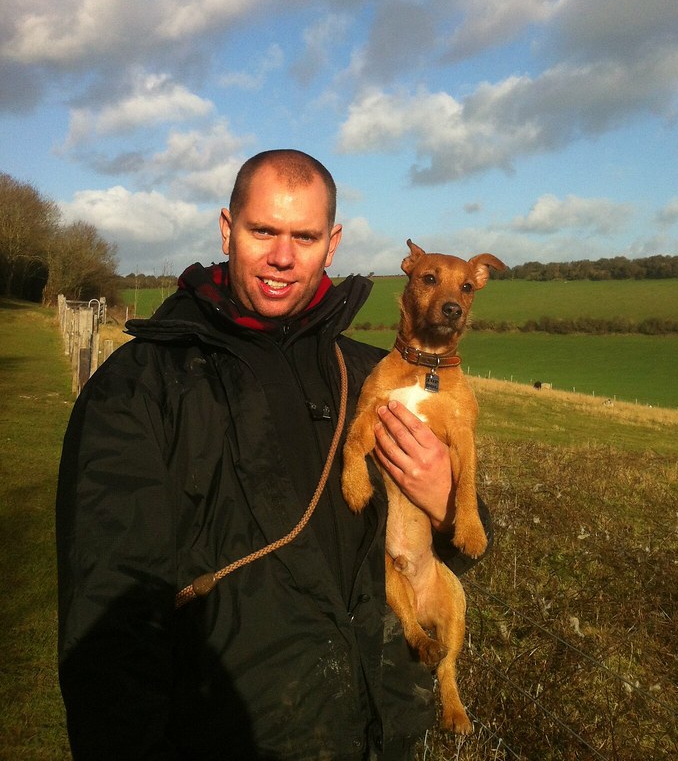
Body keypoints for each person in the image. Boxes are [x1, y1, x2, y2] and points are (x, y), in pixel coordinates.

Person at [56, 149, 491, 761]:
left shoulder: (367, 376)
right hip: (232, 738)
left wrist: (446, 496)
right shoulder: (138, 390)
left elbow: (463, 546)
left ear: (332, 244)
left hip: (383, 735)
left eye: (305, 236)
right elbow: (109, 621)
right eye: (264, 231)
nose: (284, 257)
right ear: (228, 230)